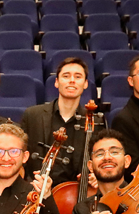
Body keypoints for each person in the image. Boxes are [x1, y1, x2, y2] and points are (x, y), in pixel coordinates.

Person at [22, 57, 97, 186]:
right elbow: (20, 153)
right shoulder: (32, 115)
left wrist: (96, 175)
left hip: (76, 193)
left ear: (85, 84)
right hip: (35, 189)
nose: (72, 81)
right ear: (56, 82)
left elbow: (99, 159)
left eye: (78, 77)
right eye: (66, 76)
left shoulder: (96, 122)